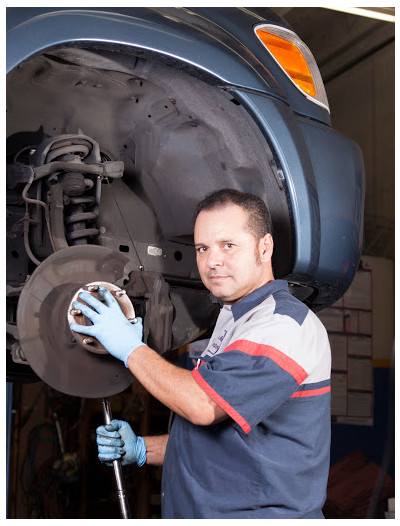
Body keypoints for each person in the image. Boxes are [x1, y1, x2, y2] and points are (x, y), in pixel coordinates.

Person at [70, 189, 332, 519]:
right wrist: (140, 448)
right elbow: (221, 443)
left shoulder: (283, 325)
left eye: (228, 245)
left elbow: (204, 406)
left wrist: (130, 348)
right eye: (202, 248)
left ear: (264, 247)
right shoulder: (233, 318)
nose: (212, 261)